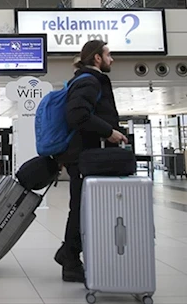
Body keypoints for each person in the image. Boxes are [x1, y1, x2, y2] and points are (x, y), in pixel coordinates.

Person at [53, 40, 127, 283]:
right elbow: (77, 115)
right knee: (80, 208)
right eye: (108, 55)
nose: (111, 59)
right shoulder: (89, 81)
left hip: (86, 155)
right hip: (86, 156)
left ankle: (68, 252)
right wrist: (109, 132)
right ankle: (70, 261)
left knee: (83, 207)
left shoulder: (87, 80)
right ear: (97, 58)